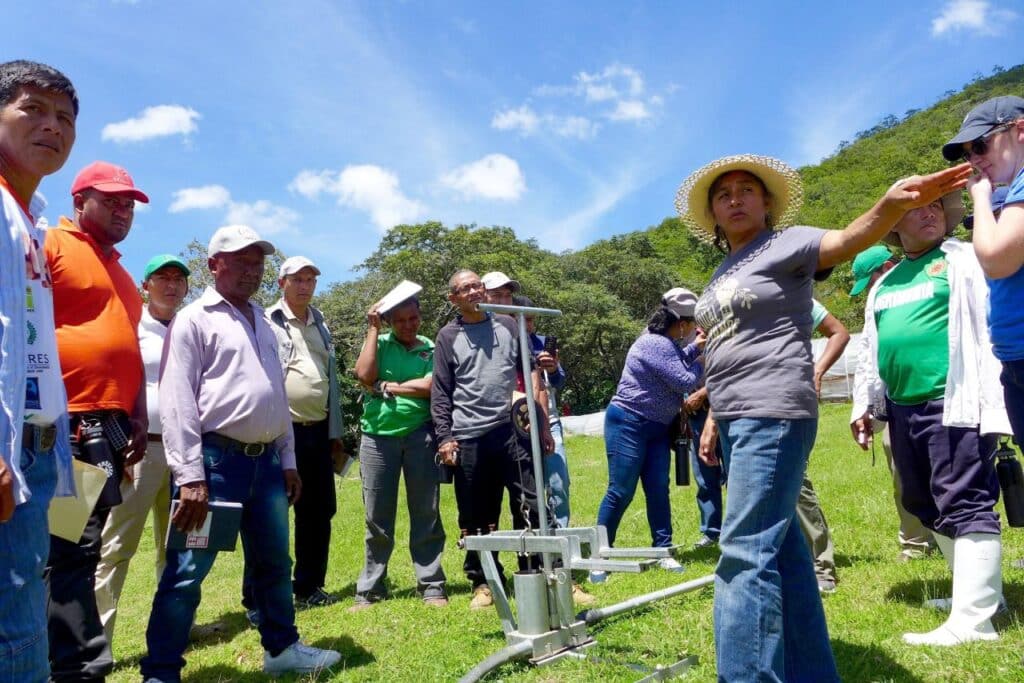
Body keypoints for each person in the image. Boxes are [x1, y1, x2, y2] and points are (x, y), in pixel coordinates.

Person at [676, 153, 970, 680]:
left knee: (743, 554)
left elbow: (848, 239)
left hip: (774, 409)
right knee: (782, 551)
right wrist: (716, 416)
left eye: (748, 190)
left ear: (766, 203)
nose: (736, 199)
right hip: (737, 413)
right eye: (724, 195)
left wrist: (887, 206)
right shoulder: (724, 270)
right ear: (714, 216)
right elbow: (723, 350)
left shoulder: (786, 245)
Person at [140, 225, 341, 680]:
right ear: (214, 265)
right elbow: (176, 402)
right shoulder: (194, 320)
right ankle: (161, 671)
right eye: (241, 261)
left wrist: (287, 461)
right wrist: (190, 476)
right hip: (215, 465)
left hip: (267, 464)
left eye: (258, 263)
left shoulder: (266, 324)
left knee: (274, 562)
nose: (252, 271)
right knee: (187, 573)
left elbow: (276, 396)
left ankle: (282, 649)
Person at [850, 187, 1009, 646]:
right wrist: (866, 406)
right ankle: (976, 593)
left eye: (936, 206)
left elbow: (988, 317)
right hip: (903, 407)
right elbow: (872, 350)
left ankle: (975, 622)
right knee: (924, 502)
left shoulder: (963, 259)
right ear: (894, 225)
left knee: (964, 499)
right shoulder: (884, 283)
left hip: (954, 400)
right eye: (916, 208)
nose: (929, 213)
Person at [45, 160, 151, 681]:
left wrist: (137, 408)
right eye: (111, 200)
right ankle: (74, 664)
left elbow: (125, 345)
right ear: (78, 201)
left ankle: (75, 658)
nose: (123, 209)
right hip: (68, 426)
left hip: (106, 430)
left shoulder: (122, 271)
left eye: (129, 202)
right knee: (70, 546)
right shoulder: (52, 246)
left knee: (84, 543)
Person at [0, 59, 77, 683]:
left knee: (23, 599)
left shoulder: (29, 217)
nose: (52, 126)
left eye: (65, 117)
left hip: (35, 441)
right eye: (33, 109)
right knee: (13, 621)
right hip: (6, 451)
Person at [432, 269, 550, 610]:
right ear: (454, 298)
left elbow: (529, 370)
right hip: (468, 435)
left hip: (511, 428)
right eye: (465, 288)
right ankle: (483, 581)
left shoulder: (508, 325)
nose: (474, 291)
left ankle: (537, 570)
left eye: (477, 285)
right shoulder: (447, 336)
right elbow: (441, 392)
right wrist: (445, 438)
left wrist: (539, 421)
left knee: (530, 502)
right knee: (475, 513)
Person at [95, 254, 189, 646]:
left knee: (179, 548)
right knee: (115, 548)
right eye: (162, 278)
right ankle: (97, 641)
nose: (171, 285)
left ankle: (175, 633)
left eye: (178, 279)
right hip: (140, 452)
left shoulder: (191, 328)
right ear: (145, 286)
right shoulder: (130, 327)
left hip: (185, 453)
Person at [595, 287, 705, 573]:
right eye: (691, 323)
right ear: (680, 325)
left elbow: (678, 357)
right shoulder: (654, 343)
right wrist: (704, 361)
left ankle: (662, 549)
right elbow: (683, 380)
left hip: (657, 427)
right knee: (620, 490)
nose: (693, 328)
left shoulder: (664, 343)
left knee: (658, 489)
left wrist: (697, 348)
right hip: (629, 423)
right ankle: (600, 555)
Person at [351, 293, 447, 610]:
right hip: (377, 438)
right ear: (390, 321)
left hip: (421, 435)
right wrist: (372, 330)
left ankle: (431, 584)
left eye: (413, 318)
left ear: (421, 317)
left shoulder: (431, 348)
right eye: (400, 320)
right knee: (376, 516)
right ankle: (370, 589)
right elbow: (364, 375)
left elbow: (433, 386)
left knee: (426, 512)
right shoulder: (378, 344)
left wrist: (388, 387)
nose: (408, 325)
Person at [265, 256, 345, 608]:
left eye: (311, 279)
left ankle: (308, 587)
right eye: (298, 279)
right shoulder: (267, 321)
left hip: (317, 433)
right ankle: (262, 595)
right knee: (271, 514)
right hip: (281, 433)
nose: (305, 285)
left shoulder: (321, 324)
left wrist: (335, 432)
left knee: (318, 510)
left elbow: (330, 381)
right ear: (282, 282)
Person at [848, 245, 936, 562]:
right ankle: (915, 541)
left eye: (869, 282)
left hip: (937, 396)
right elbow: (870, 355)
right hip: (894, 401)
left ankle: (946, 534)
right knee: (903, 473)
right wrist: (867, 406)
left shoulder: (928, 279)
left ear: (885, 267)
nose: (869, 291)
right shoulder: (880, 302)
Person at [947, 97, 1024, 449]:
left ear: (1019, 130)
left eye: (981, 145)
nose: (975, 160)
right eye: (968, 154)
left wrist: (979, 197)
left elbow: (995, 260)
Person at [795, 300, 849, 594]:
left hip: (791, 400)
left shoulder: (798, 291)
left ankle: (821, 565)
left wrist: (817, 371)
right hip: (746, 402)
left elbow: (838, 332)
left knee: (795, 481)